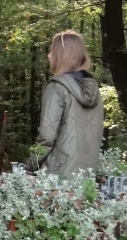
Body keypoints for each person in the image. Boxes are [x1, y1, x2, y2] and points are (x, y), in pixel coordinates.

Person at [36, 30, 104, 178]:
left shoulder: (56, 87)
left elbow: (47, 135)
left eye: (52, 51)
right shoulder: (94, 89)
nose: (48, 56)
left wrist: (31, 165)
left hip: (58, 175)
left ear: (62, 55)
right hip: (87, 175)